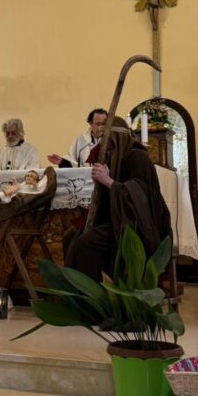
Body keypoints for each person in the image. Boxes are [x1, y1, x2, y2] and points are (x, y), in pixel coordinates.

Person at [65, 117, 171, 282]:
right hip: (117, 220)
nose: (102, 144)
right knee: (72, 238)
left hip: (137, 226)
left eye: (105, 138)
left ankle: (98, 293)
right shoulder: (114, 157)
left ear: (116, 138)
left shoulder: (138, 158)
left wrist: (108, 181)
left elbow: (139, 198)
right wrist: (101, 184)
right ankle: (83, 292)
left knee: (85, 244)